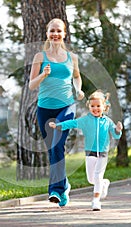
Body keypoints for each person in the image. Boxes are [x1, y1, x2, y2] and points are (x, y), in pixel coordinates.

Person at [28, 18, 85, 207]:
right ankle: (64, 184)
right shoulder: (39, 56)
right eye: (52, 31)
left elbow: (77, 78)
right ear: (47, 33)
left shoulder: (72, 58)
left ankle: (56, 191)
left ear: (64, 33)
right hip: (44, 109)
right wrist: (43, 75)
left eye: (59, 31)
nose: (55, 34)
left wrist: (78, 90)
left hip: (66, 107)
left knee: (57, 144)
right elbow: (31, 85)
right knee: (53, 149)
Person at [49, 90, 123, 211]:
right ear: (89, 106)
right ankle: (104, 183)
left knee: (98, 176)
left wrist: (118, 130)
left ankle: (96, 201)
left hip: (103, 154)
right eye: (92, 106)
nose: (95, 108)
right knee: (91, 179)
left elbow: (115, 135)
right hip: (90, 153)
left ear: (104, 107)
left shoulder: (107, 121)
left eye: (98, 106)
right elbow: (72, 123)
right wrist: (58, 125)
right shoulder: (85, 120)